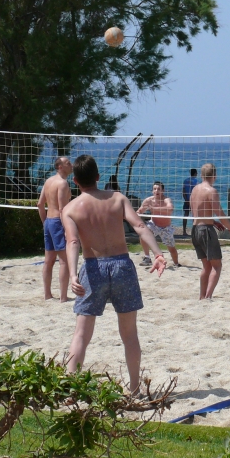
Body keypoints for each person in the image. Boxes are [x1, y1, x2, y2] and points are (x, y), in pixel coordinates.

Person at [61, 155, 166, 394]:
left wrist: (73, 275)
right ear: (98, 177)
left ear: (75, 181)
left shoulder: (70, 209)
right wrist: (158, 254)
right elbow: (140, 226)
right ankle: (135, 388)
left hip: (92, 267)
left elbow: (73, 242)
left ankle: (70, 390)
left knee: (81, 334)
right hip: (121, 266)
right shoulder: (117, 198)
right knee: (129, 334)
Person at [189, 163, 230, 299]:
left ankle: (202, 296)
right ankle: (208, 297)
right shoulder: (211, 191)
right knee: (216, 266)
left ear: (201, 175)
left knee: (206, 266)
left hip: (195, 229)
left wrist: (213, 222)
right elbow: (219, 213)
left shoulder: (195, 189)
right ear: (214, 175)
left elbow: (195, 211)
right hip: (205, 231)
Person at [37, 157, 73, 302]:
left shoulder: (48, 181)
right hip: (58, 221)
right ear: (60, 167)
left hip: (49, 221)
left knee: (48, 261)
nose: (71, 165)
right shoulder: (62, 183)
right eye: (68, 163)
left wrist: (45, 222)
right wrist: (67, 228)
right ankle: (63, 297)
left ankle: (47, 295)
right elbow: (63, 208)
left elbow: (40, 204)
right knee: (64, 261)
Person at [137, 181, 180, 267]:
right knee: (143, 234)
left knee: (172, 249)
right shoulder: (149, 200)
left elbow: (170, 209)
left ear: (163, 191)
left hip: (166, 227)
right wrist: (136, 218)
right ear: (152, 190)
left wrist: (155, 208)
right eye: (155, 189)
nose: (156, 191)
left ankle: (176, 263)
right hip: (154, 224)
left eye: (159, 189)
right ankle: (147, 258)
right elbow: (140, 211)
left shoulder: (166, 200)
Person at [181, 168, 199, 235]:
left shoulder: (185, 181)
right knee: (194, 216)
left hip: (186, 200)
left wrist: (186, 200)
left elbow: (183, 192)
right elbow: (196, 192)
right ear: (195, 173)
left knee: (185, 215)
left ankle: (184, 231)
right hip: (193, 201)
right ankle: (194, 232)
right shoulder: (196, 181)